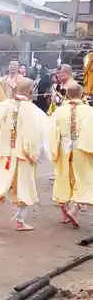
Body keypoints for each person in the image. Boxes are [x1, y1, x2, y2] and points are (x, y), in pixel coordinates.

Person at [0, 78, 50, 233]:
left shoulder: (1, 108)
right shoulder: (36, 112)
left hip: (3, 154)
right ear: (31, 92)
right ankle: (19, 221)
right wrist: (42, 155)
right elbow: (44, 135)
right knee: (24, 188)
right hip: (24, 156)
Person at [49, 83, 93, 228]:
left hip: (63, 149)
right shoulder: (89, 111)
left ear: (67, 95)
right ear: (82, 95)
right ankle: (74, 210)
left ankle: (64, 213)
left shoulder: (60, 111)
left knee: (63, 179)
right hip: (82, 148)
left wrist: (54, 150)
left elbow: (52, 132)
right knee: (85, 181)